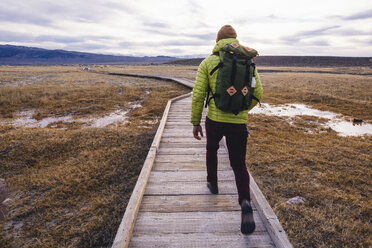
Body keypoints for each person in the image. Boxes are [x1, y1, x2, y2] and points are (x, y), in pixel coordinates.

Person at [190, 25, 262, 235]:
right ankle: (245, 202)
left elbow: (198, 95)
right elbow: (259, 92)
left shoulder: (208, 62)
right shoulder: (248, 62)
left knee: (211, 149)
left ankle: (213, 183)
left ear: (217, 40)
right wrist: (242, 110)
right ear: (235, 40)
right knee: (239, 164)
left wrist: (195, 122)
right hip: (238, 123)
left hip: (214, 119)